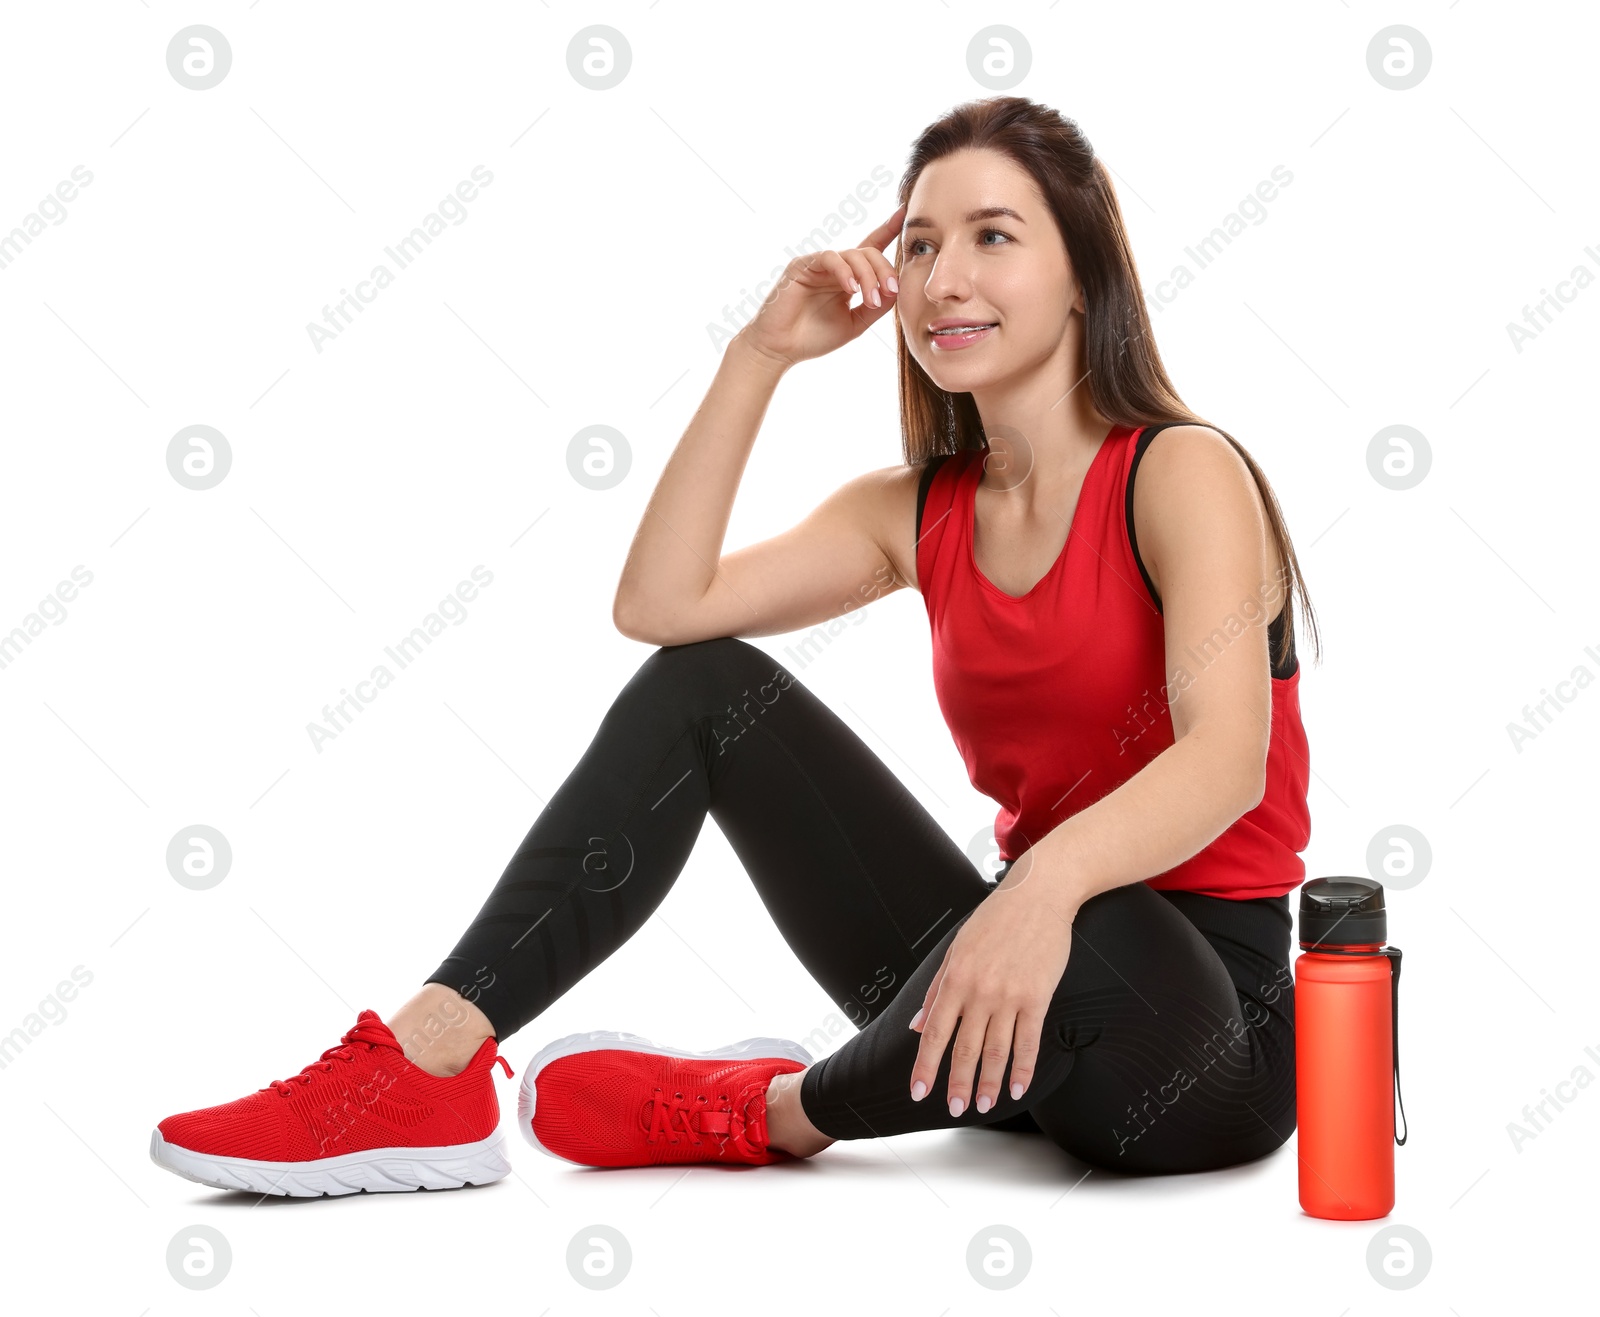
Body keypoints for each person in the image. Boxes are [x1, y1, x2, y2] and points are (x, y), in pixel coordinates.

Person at [149, 95, 1319, 1197]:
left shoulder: (1180, 471)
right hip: (1002, 983)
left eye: (992, 237)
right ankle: (423, 1068)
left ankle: (766, 1110)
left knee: (1096, 920)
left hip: (1201, 1027)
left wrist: (1046, 891)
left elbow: (1222, 762)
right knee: (705, 689)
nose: (941, 278)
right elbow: (662, 606)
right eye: (915, 245)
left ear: (1083, 276)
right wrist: (761, 355)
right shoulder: (914, 512)